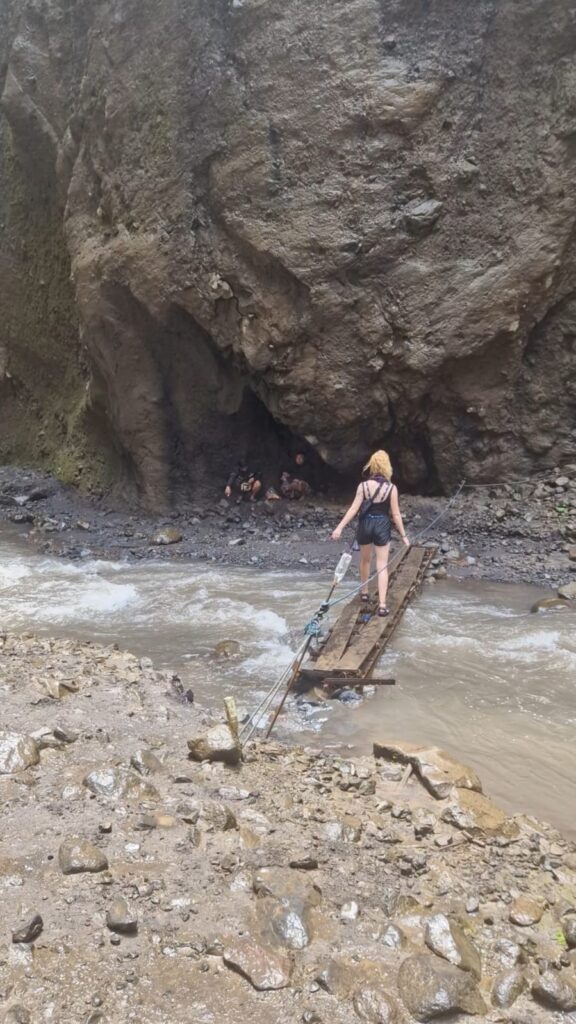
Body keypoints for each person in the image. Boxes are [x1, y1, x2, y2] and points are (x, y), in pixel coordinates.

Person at [330, 450, 409, 616]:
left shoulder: (363, 486)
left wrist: (339, 527)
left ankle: (364, 592)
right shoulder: (391, 488)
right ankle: (382, 605)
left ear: (372, 465)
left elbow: (353, 509)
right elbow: (395, 514)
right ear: (387, 466)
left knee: (365, 560)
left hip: (365, 524)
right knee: (382, 565)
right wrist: (403, 536)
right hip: (382, 525)